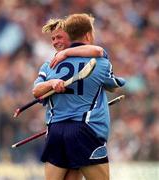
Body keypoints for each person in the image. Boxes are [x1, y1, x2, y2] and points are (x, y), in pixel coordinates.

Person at [33, 14, 125, 180]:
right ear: (88, 35)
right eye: (52, 38)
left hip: (56, 132)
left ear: (69, 35)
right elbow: (114, 85)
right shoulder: (100, 62)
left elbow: (37, 93)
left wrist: (51, 82)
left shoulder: (48, 66)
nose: (55, 42)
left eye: (58, 37)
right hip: (85, 132)